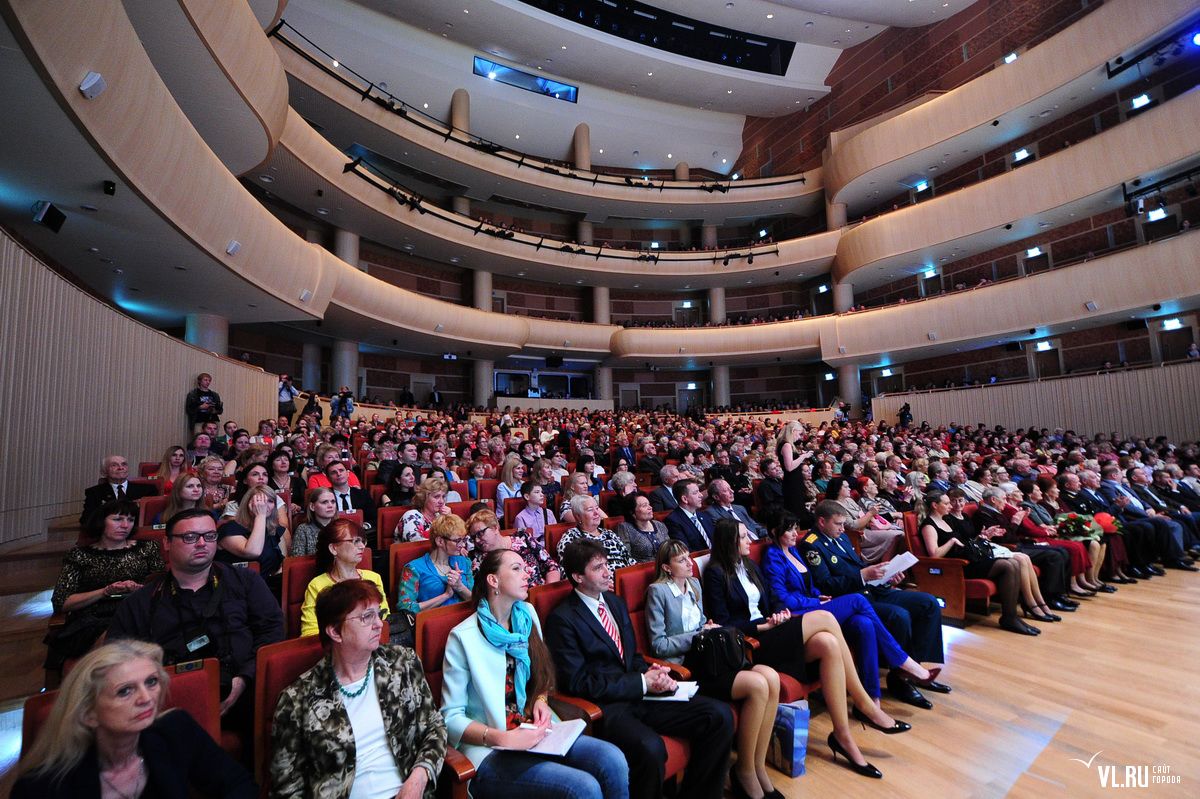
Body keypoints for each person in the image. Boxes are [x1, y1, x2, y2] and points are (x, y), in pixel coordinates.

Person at [701, 519, 896, 779]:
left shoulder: (748, 565)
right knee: (826, 619)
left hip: (774, 629)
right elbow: (725, 623)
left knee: (828, 643)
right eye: (743, 537)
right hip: (754, 642)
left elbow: (769, 603)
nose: (750, 540)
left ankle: (843, 735)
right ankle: (864, 702)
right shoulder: (715, 572)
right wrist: (763, 626)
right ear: (729, 542)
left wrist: (778, 616)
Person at [544, 540, 735, 799]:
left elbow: (631, 656)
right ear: (578, 576)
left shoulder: (614, 601)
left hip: (641, 692)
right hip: (607, 707)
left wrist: (655, 674)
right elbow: (578, 682)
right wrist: (642, 683)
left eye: (606, 564)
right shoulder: (563, 619)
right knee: (650, 748)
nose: (607, 571)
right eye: (598, 568)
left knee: (719, 715)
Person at [440, 548, 629, 799]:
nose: (527, 573)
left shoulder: (526, 615)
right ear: (493, 580)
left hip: (535, 729)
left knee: (612, 759)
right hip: (492, 748)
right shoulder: (463, 637)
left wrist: (540, 700)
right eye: (516, 568)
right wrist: (502, 738)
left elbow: (541, 676)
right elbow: (450, 716)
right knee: (582, 787)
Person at [108, 508, 283, 731]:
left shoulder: (246, 581)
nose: (202, 543)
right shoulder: (140, 602)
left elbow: (272, 630)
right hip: (169, 702)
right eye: (190, 537)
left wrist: (244, 679)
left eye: (209, 536)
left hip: (246, 690)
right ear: (167, 543)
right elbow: (118, 661)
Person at [270, 579, 446, 798]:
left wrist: (419, 778)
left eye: (378, 613)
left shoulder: (402, 663)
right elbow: (287, 787)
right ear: (335, 631)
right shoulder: (297, 699)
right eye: (366, 617)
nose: (379, 624)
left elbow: (435, 726)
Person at [13, 640, 255, 798]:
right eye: (125, 691)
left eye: (151, 682)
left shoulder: (175, 728)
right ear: (88, 713)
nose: (146, 698)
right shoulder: (41, 788)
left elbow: (239, 784)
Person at [646, 540, 782, 799]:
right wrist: (697, 635)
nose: (689, 563)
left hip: (709, 658)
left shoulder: (695, 585)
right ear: (666, 567)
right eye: (681, 560)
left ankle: (757, 766)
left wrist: (706, 628)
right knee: (757, 685)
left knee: (770, 677)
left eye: (688, 557)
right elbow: (659, 644)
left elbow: (702, 624)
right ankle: (743, 771)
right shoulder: (658, 592)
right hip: (685, 668)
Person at [775, 507, 946, 710]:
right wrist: (863, 576)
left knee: (929, 604)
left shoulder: (843, 538)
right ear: (822, 522)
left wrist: (886, 575)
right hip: (852, 597)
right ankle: (900, 680)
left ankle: (913, 669)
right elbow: (826, 585)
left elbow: (859, 565)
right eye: (838, 524)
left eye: (843, 523)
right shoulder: (812, 546)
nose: (842, 528)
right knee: (898, 616)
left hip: (873, 590)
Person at [46, 500, 166, 671]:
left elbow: (160, 585)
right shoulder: (80, 555)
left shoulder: (147, 548)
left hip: (139, 609)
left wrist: (140, 589)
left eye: (130, 520)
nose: (125, 525)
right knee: (116, 634)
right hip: (94, 617)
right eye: (118, 519)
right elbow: (62, 601)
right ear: (101, 521)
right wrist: (105, 591)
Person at [921, 491, 1042, 633]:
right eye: (946, 503)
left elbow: (967, 542)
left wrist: (982, 537)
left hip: (969, 558)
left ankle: (1011, 616)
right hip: (957, 566)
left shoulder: (945, 519)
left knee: (1013, 563)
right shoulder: (928, 525)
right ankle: (1009, 617)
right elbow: (934, 554)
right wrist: (951, 541)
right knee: (1007, 566)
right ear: (935, 505)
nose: (950, 506)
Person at [300, 519, 389, 637]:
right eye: (355, 541)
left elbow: (384, 618)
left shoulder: (373, 578)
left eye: (363, 541)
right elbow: (310, 633)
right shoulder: (317, 585)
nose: (362, 546)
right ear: (333, 548)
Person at [216, 485, 288, 594]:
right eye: (259, 500)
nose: (264, 505)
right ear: (247, 504)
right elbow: (253, 552)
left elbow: (282, 563)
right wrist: (260, 515)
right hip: (235, 590)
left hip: (265, 588)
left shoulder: (274, 530)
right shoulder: (229, 528)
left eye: (270, 501)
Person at [397, 513, 475, 614]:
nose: (462, 545)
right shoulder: (414, 568)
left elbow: (476, 601)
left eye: (463, 540)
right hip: (434, 625)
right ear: (440, 541)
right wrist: (445, 595)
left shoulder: (464, 562)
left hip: (466, 620)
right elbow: (405, 608)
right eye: (457, 540)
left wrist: (460, 588)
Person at [468, 508, 561, 586]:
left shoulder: (523, 538)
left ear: (495, 528)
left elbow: (551, 565)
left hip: (541, 594)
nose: (477, 540)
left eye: (480, 533)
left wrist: (545, 593)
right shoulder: (476, 558)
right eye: (473, 537)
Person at [556, 495, 635, 569]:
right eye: (590, 510)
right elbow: (567, 571)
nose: (597, 513)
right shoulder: (571, 538)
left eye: (597, 508)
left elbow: (629, 559)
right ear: (578, 516)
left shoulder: (609, 534)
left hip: (621, 580)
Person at [80, 455, 157, 526]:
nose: (120, 467)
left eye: (124, 464)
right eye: (114, 465)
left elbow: (151, 519)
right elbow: (86, 519)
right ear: (104, 471)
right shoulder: (94, 493)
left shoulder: (148, 490)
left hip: (137, 533)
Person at [774, 421, 813, 527]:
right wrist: (803, 457)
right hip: (792, 482)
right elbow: (789, 467)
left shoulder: (787, 444)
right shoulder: (786, 445)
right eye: (799, 433)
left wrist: (800, 455)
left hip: (794, 480)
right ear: (793, 431)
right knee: (795, 511)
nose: (800, 437)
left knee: (798, 509)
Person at [664, 479, 716, 552]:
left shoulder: (705, 515)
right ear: (685, 499)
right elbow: (685, 549)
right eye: (695, 493)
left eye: (699, 491)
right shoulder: (673, 521)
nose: (701, 495)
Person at [614, 493, 669, 563]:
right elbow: (626, 557)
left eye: (649, 504)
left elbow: (669, 549)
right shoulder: (624, 528)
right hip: (641, 570)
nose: (650, 507)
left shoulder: (659, 525)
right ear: (632, 512)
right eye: (644, 506)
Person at [325, 460, 377, 529]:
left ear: (347, 473)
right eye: (333, 472)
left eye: (341, 470)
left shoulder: (362, 494)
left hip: (359, 533)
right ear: (328, 478)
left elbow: (374, 518)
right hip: (333, 534)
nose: (338, 474)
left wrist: (365, 526)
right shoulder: (325, 497)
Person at [398, 476, 451, 542]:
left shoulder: (440, 516)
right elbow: (416, 542)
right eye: (436, 497)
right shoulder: (411, 516)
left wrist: (449, 519)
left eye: (443, 497)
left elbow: (458, 540)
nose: (442, 501)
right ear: (424, 498)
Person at [291, 486, 337, 557]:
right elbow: (297, 562)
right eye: (324, 502)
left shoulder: (342, 527)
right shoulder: (303, 530)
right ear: (312, 506)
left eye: (333, 501)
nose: (330, 505)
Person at [514, 480, 557, 546]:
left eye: (541, 492)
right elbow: (523, 540)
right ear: (527, 497)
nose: (542, 494)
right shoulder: (520, 518)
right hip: (534, 550)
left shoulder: (549, 513)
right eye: (537, 492)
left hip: (551, 546)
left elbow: (554, 534)